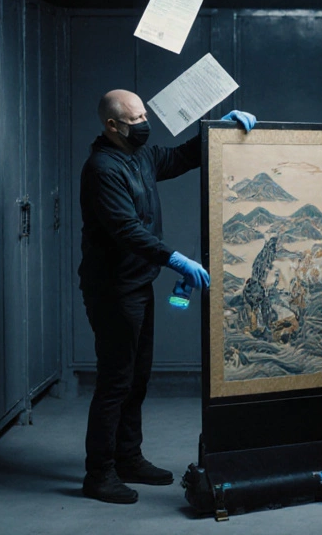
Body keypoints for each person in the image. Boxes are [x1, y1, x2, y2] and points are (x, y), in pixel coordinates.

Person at [78, 88, 256, 504]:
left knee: (137, 378)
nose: (145, 124)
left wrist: (217, 130)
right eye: (136, 119)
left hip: (137, 283)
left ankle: (128, 458)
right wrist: (176, 260)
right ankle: (99, 474)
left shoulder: (139, 155)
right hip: (113, 290)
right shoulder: (102, 169)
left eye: (144, 115)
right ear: (112, 125)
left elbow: (179, 157)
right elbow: (126, 230)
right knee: (115, 381)